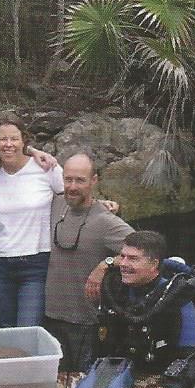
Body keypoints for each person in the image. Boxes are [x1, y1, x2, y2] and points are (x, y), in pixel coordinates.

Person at [91, 230, 195, 388]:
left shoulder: (180, 298)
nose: (123, 264)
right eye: (122, 256)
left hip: (162, 379)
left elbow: (194, 357)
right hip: (120, 374)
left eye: (133, 259)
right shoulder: (114, 287)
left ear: (154, 264)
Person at [44, 152, 131, 371]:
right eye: (68, 179)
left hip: (87, 322)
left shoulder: (106, 221)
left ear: (94, 181)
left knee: (82, 384)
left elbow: (147, 251)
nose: (72, 186)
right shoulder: (56, 204)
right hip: (50, 317)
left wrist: (107, 264)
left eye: (80, 180)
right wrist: (35, 152)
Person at [0, 114, 62, 329]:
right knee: (7, 330)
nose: (8, 144)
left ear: (24, 140)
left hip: (36, 263)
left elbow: (74, 197)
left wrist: (102, 204)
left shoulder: (47, 168)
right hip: (0, 262)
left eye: (14, 138)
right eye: (3, 139)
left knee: (28, 329)